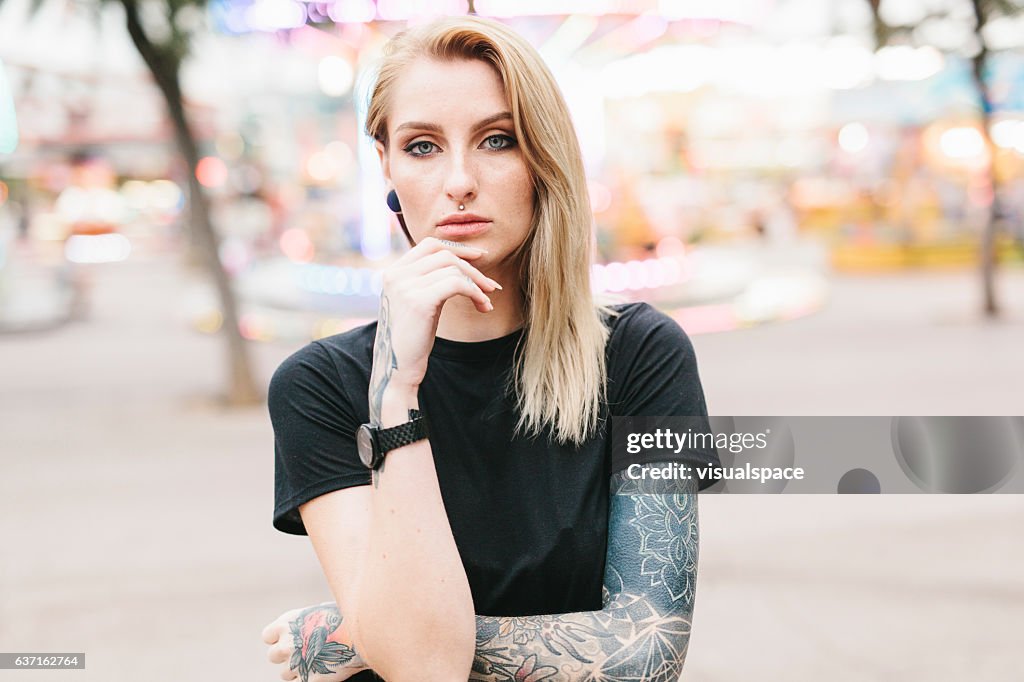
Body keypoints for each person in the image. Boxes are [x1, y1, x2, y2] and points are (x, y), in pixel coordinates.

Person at [260, 15, 719, 682]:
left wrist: (360, 632)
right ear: (385, 165)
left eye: (497, 140)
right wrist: (396, 393)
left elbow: (646, 653)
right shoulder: (322, 386)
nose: (459, 181)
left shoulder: (641, 356)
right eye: (422, 147)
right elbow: (423, 669)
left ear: (543, 157)